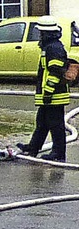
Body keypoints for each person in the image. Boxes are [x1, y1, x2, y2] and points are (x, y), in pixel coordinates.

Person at [16, 15, 70, 162]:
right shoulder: (50, 46)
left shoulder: (54, 48)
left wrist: (48, 91)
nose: (39, 35)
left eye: (40, 32)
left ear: (46, 33)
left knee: (56, 125)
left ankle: (58, 154)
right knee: (42, 122)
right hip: (49, 94)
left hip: (54, 94)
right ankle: (33, 147)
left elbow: (56, 71)